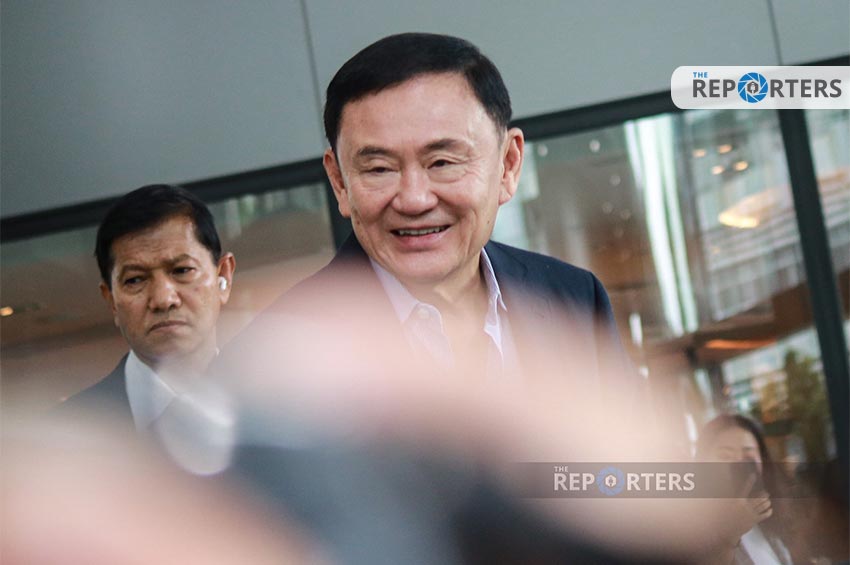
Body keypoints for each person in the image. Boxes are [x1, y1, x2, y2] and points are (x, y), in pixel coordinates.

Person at [239, 32, 627, 391]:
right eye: (379, 169)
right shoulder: (274, 360)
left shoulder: (574, 298)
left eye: (442, 162)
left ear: (508, 165)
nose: (414, 200)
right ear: (340, 182)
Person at [60, 184, 236, 431]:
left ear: (223, 276)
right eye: (135, 280)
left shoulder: (281, 408)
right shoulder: (66, 433)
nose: (163, 299)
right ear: (111, 300)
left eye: (182, 270)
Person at [696, 414, 792, 565]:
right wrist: (729, 536)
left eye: (748, 456)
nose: (738, 465)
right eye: (725, 456)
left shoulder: (769, 518)